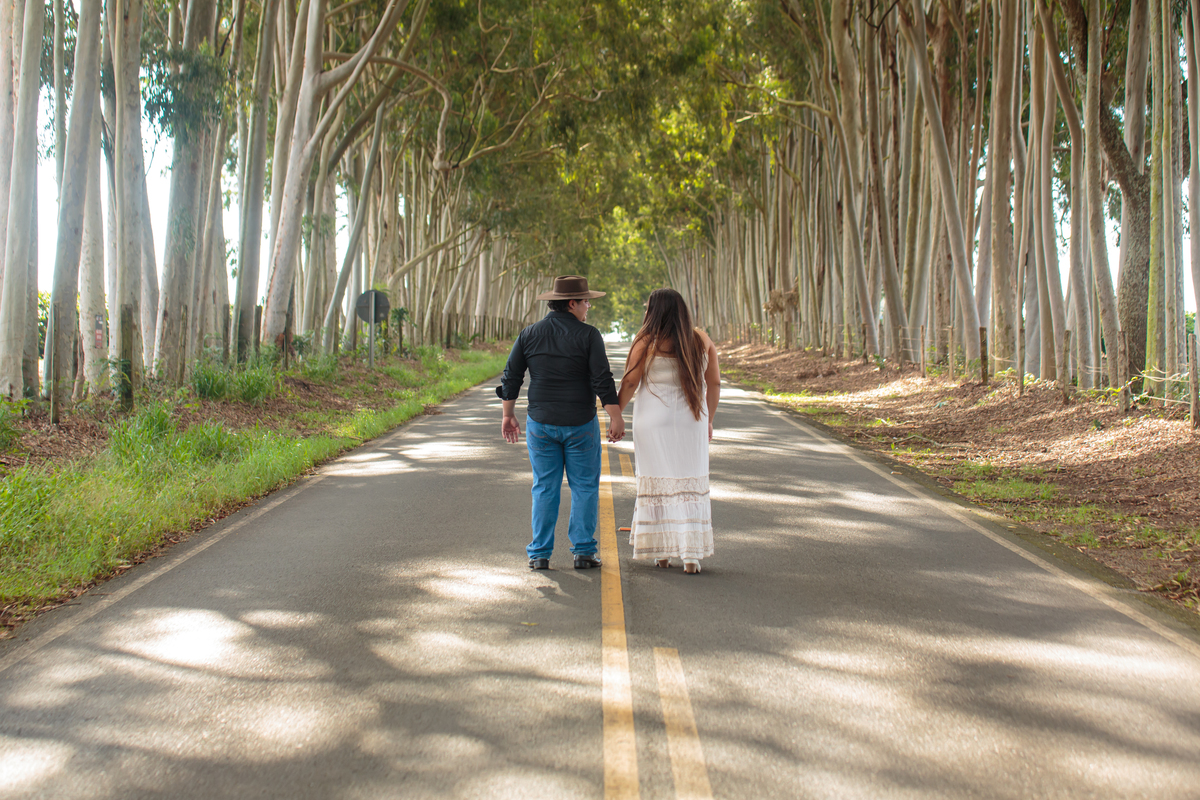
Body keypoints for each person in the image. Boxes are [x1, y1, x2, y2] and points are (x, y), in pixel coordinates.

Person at [498, 275, 626, 570]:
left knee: (544, 487)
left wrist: (508, 414)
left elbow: (511, 376)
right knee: (584, 487)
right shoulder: (589, 335)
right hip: (580, 423)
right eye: (586, 302)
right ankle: (583, 552)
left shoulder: (529, 334)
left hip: (540, 422)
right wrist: (615, 416)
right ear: (572, 303)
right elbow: (602, 379)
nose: (588, 307)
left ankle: (539, 554)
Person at [617, 288, 720, 574]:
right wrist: (709, 419)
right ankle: (691, 556)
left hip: (652, 422)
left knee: (657, 482)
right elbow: (714, 384)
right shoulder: (700, 340)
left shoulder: (646, 340)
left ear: (654, 312)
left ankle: (661, 552)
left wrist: (616, 414)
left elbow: (630, 382)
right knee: (689, 482)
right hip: (692, 421)